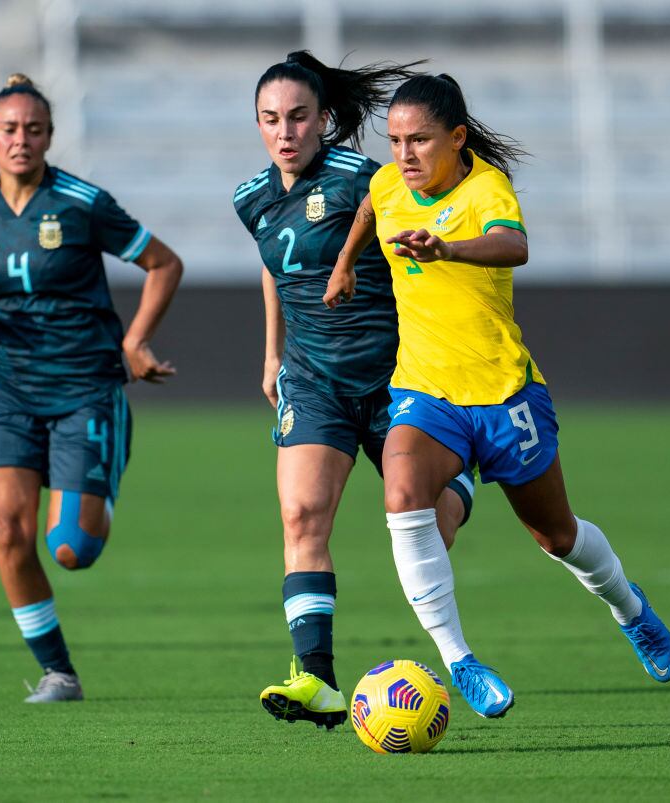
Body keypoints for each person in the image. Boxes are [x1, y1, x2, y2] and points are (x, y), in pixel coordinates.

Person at [324, 73, 670, 719]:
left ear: (457, 138)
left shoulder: (485, 187)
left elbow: (515, 244)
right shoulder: (387, 184)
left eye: (420, 140)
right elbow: (371, 208)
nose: (405, 154)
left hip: (504, 393)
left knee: (557, 535)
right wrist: (346, 261)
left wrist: (448, 248)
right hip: (426, 390)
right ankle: (459, 659)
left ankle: (630, 608)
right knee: (402, 495)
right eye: (396, 139)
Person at [0, 74, 183, 703]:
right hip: (9, 388)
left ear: (50, 136)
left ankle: (98, 478)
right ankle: (58, 671)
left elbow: (163, 264)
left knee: (71, 549)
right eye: (9, 129)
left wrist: (134, 341)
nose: (21, 140)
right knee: (10, 530)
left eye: (34, 130)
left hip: (86, 387)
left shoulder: (83, 203)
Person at [234, 52, 476, 730]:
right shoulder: (250, 197)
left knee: (433, 523)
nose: (285, 132)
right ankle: (317, 677)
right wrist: (272, 352)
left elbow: (420, 246)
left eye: (299, 118)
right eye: (271, 119)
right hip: (314, 382)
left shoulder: (363, 180)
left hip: (398, 376)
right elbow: (273, 269)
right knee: (302, 517)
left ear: (326, 121)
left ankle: (465, 474)